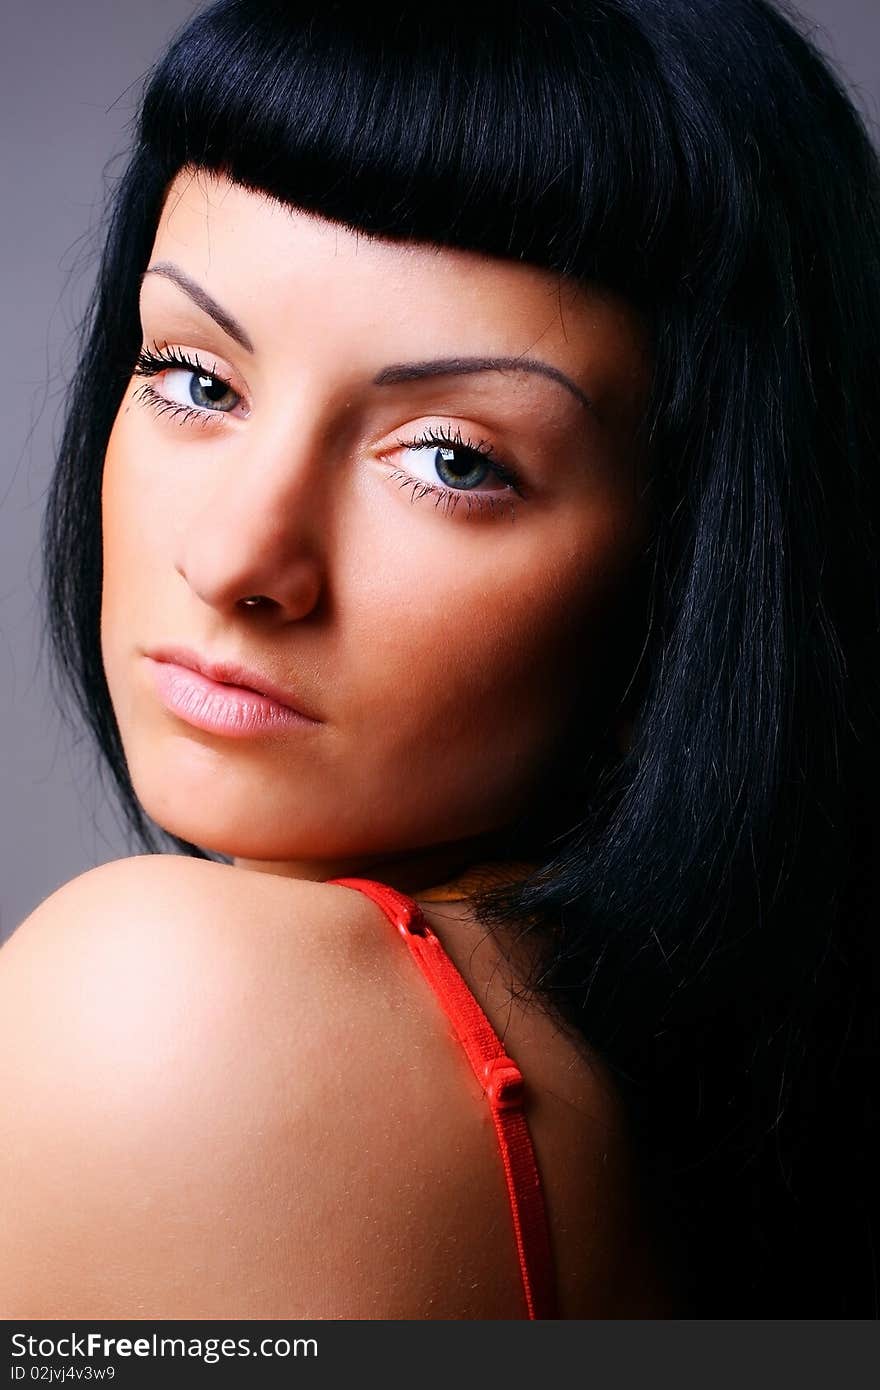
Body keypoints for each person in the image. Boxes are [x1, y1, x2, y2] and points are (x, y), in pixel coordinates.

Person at [1, 0, 878, 1319]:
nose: (244, 557)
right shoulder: (682, 1122)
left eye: (453, 460)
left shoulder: (174, 1013)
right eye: (194, 377)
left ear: (698, 557)